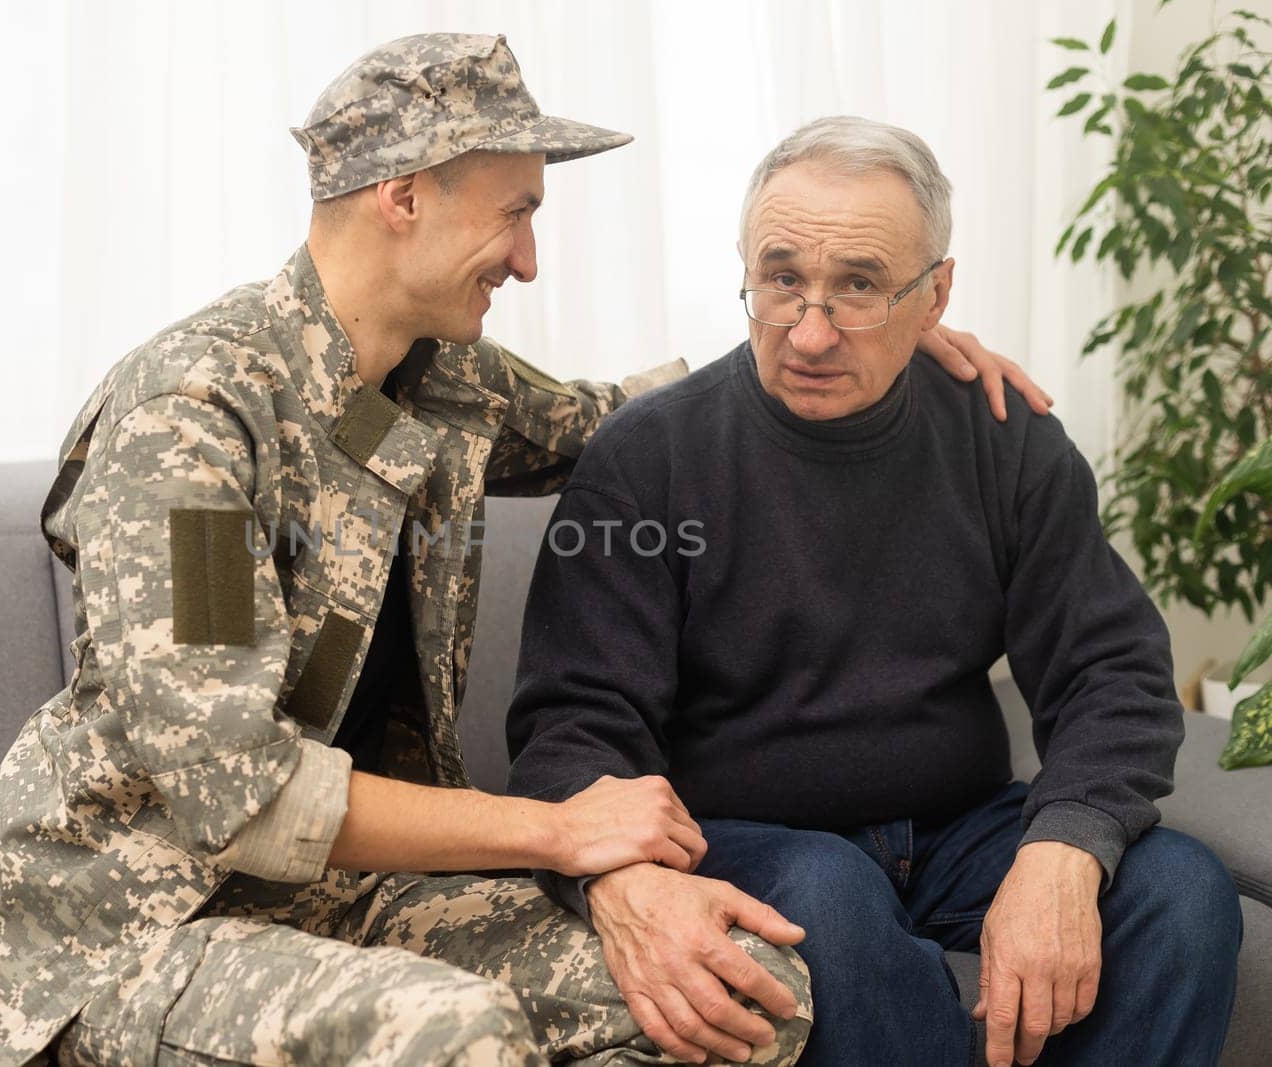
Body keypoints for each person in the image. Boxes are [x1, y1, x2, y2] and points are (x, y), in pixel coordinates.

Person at [0, 35, 1043, 1066]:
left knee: (746, 989)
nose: (526, 258)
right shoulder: (195, 416)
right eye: (514, 212)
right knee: (451, 1029)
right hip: (137, 922)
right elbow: (238, 793)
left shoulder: (442, 381)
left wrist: (864, 326)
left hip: (347, 895)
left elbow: (636, 414)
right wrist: (558, 829)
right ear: (403, 195)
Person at [505, 115, 1241, 1067]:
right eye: (782, 280)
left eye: (858, 287)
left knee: (1178, 889)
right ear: (744, 268)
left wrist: (1064, 845)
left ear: (936, 295)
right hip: (750, 843)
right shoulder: (649, 459)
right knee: (828, 890)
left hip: (960, 831)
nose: (810, 332)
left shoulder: (1003, 439)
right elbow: (573, 731)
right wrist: (630, 877)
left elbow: (1111, 670)